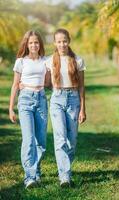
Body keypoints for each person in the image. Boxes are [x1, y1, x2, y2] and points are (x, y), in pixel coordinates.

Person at [45, 28, 86, 187]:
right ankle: (65, 176)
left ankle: (65, 168)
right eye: (59, 41)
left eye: (64, 41)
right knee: (60, 138)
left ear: (69, 41)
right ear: (55, 43)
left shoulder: (78, 60)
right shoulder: (48, 61)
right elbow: (40, 79)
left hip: (74, 99)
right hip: (57, 99)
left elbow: (82, 86)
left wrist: (83, 108)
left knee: (72, 140)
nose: (62, 44)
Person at [9, 30, 48, 189]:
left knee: (41, 142)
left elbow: (49, 83)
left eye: (36, 42)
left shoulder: (46, 61)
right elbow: (14, 85)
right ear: (26, 44)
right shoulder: (21, 62)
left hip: (41, 99)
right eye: (31, 42)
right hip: (25, 100)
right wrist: (11, 108)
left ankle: (36, 171)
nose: (34, 45)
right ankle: (29, 177)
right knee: (28, 139)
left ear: (40, 44)